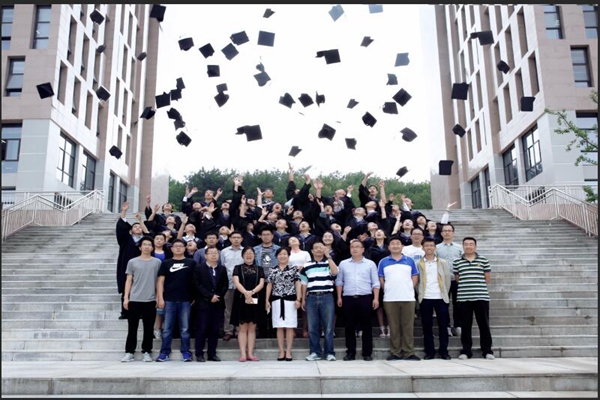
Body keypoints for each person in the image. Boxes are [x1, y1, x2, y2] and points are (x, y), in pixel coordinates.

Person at [335, 240, 380, 361]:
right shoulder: (343, 264)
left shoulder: (370, 264)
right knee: (349, 326)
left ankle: (367, 353)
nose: (354, 249)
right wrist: (339, 297)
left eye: (357, 247)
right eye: (352, 247)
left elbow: (375, 282)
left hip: (365, 297)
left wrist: (376, 298)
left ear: (363, 249)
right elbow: (339, 281)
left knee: (367, 326)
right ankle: (350, 352)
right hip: (348, 298)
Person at [378, 235, 420, 361]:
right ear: (388, 247)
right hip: (390, 298)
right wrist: (387, 289)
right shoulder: (383, 262)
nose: (395, 246)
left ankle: (409, 352)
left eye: (398, 243)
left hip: (408, 298)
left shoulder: (410, 260)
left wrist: (409, 288)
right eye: (393, 244)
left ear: (402, 246)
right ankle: (395, 352)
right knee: (393, 326)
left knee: (408, 326)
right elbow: (381, 278)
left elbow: (415, 276)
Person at [120, 236, 162, 362]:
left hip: (150, 299)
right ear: (140, 247)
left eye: (149, 245)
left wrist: (158, 297)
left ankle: (147, 352)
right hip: (134, 299)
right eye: (144, 244)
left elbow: (159, 282)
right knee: (132, 328)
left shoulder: (157, 262)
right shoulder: (132, 262)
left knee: (148, 328)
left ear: (152, 248)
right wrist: (126, 298)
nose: (147, 247)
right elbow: (128, 280)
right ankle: (129, 352)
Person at [155, 239, 196, 362]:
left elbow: (195, 282)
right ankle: (164, 353)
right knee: (167, 329)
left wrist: (194, 297)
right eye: (176, 246)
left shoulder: (191, 263)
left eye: (181, 246)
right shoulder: (166, 263)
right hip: (169, 300)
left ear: (185, 248)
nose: (178, 248)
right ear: (171, 248)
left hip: (186, 300)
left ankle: (186, 352)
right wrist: (160, 298)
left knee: (185, 329)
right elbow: (160, 282)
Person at [454, 237, 495, 360]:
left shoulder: (483, 260)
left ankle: (487, 350)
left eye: (471, 244)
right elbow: (458, 279)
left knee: (484, 325)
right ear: (463, 246)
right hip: (464, 298)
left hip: (481, 297)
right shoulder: (457, 262)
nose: (468, 246)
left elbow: (487, 279)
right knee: (466, 326)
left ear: (475, 246)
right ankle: (466, 351)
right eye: (466, 244)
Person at [300, 240, 339, 361]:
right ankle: (315, 352)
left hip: (327, 296)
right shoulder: (306, 266)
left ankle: (329, 353)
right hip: (311, 297)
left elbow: (335, 272)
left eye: (321, 247)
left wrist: (328, 256)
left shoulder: (329, 263)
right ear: (311, 251)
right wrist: (303, 299)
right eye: (316, 247)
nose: (318, 249)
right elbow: (304, 283)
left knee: (328, 327)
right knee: (312, 327)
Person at [416, 238, 452, 360]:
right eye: (426, 245)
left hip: (440, 297)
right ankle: (429, 351)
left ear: (435, 248)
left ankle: (444, 351)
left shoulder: (443, 263)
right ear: (423, 248)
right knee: (427, 326)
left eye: (431, 245)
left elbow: (447, 280)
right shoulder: (419, 263)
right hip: (425, 297)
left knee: (443, 325)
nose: (429, 248)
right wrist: (421, 293)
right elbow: (417, 282)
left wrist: (444, 293)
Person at [191, 247, 228, 362]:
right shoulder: (199, 268)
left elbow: (225, 285)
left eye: (215, 253)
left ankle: (212, 353)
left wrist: (218, 296)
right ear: (205, 255)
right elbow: (197, 285)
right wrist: (209, 296)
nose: (213, 255)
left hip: (218, 303)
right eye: (211, 253)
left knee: (214, 329)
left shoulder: (222, 269)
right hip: (203, 303)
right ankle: (199, 354)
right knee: (202, 329)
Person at [265, 247, 302, 361]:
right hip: (277, 300)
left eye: (285, 254)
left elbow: (298, 284)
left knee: (290, 326)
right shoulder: (273, 269)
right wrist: (267, 300)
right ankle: (281, 351)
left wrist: (299, 299)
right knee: (279, 326)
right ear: (277, 256)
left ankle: (289, 351)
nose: (282, 256)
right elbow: (269, 285)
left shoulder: (293, 269)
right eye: (280, 254)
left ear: (288, 256)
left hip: (290, 300)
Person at [116, 201, 150, 320]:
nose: (138, 228)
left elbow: (149, 233)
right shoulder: (126, 239)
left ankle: (140, 312)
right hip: (127, 266)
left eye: (139, 227)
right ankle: (125, 312)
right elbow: (121, 226)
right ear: (131, 230)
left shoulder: (145, 241)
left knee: (142, 288)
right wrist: (124, 211)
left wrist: (141, 221)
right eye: (135, 226)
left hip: (143, 267)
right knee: (127, 287)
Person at [231, 247, 265, 362]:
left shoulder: (259, 269)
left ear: (255, 255)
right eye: (246, 253)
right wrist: (246, 293)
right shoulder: (237, 268)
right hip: (241, 298)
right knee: (242, 327)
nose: (249, 255)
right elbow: (236, 282)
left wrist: (251, 293)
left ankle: (250, 354)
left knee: (252, 327)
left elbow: (261, 284)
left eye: (251, 253)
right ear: (242, 255)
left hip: (255, 298)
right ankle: (243, 354)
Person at [436, 223, 464, 337]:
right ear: (441, 233)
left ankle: (458, 326)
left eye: (449, 230)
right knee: (444, 304)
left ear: (453, 233)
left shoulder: (460, 247)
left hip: (457, 279)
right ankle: (446, 326)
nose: (447, 232)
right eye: (445, 231)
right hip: (442, 280)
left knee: (458, 304)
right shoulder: (437, 247)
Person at [253, 225, 280, 338]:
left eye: (268, 234)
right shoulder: (255, 250)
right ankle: (262, 331)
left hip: (275, 282)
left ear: (272, 236)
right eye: (263, 235)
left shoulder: (278, 249)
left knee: (275, 307)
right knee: (260, 307)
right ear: (260, 236)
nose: (266, 236)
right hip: (260, 283)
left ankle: (274, 331)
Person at [220, 230, 244, 341]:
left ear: (242, 239)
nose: (236, 239)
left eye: (238, 237)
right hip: (228, 284)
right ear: (229, 239)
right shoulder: (224, 252)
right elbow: (222, 267)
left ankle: (239, 330)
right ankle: (228, 331)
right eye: (234, 237)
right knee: (228, 309)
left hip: (242, 285)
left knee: (240, 308)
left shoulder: (245, 251)